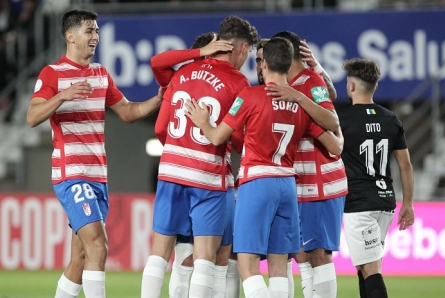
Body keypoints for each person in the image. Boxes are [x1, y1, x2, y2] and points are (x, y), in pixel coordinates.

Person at [185, 36, 343, 298]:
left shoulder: (250, 96)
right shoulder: (301, 104)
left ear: (265, 64)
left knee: (248, 265)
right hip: (288, 186)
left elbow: (216, 137)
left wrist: (203, 122)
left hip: (257, 183)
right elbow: (336, 146)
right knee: (279, 266)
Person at [26, 9, 162, 298]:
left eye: (97, 31)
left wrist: (159, 99)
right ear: (70, 36)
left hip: (98, 176)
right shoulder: (53, 74)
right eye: (89, 31)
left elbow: (127, 112)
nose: (96, 37)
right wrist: (62, 95)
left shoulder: (100, 73)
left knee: (81, 258)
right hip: (72, 175)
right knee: (99, 245)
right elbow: (32, 116)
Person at [141, 15, 258, 298]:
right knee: (206, 259)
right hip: (207, 177)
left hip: (171, 171)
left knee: (160, 254)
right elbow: (240, 140)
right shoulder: (239, 83)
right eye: (249, 54)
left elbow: (157, 65)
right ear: (241, 48)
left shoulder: (182, 72)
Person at [266, 30, 347, 298]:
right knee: (303, 254)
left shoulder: (309, 82)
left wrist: (300, 98)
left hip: (321, 183)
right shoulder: (300, 81)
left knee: (319, 255)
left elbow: (333, 123)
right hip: (302, 182)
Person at [338, 58, 415, 298]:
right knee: (364, 268)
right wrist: (408, 204)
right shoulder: (390, 118)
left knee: (370, 270)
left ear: (351, 86)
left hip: (359, 204)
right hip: (385, 202)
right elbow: (406, 165)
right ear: (376, 86)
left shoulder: (342, 120)